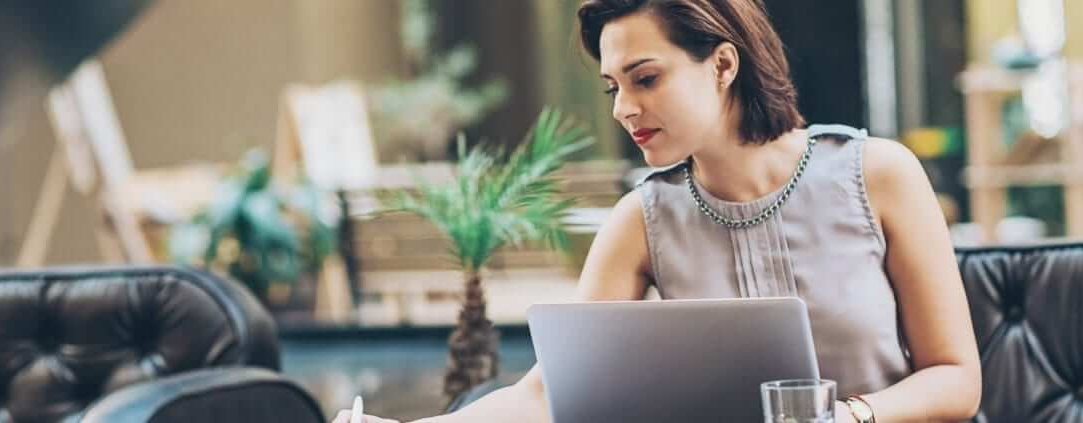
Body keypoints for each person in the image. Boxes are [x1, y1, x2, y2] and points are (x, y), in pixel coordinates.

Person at [334, 0, 981, 422]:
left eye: (646, 79)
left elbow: (956, 378)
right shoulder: (641, 218)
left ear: (723, 64)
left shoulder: (879, 174)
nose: (623, 108)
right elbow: (546, 391)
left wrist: (849, 416)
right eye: (614, 87)